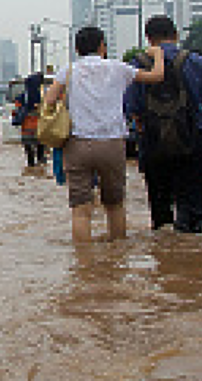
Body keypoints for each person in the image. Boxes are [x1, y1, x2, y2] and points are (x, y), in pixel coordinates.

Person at [48, 26, 166, 242]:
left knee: (81, 209)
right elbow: (157, 76)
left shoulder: (69, 71)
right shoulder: (119, 69)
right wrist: (158, 53)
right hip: (112, 143)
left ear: (77, 49)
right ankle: (117, 258)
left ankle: (83, 265)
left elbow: (49, 100)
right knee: (114, 205)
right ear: (102, 45)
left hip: (78, 143)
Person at [125, 15, 202, 233]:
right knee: (192, 207)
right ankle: (189, 253)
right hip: (192, 141)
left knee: (160, 215)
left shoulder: (138, 65)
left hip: (153, 143)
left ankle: (164, 257)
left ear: (148, 38)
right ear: (176, 35)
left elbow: (130, 106)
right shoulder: (196, 62)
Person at [20, 65, 49, 171]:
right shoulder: (42, 94)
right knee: (40, 145)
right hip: (39, 123)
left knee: (28, 146)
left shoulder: (25, 95)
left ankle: (31, 166)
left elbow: (19, 104)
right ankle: (40, 165)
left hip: (27, 124)